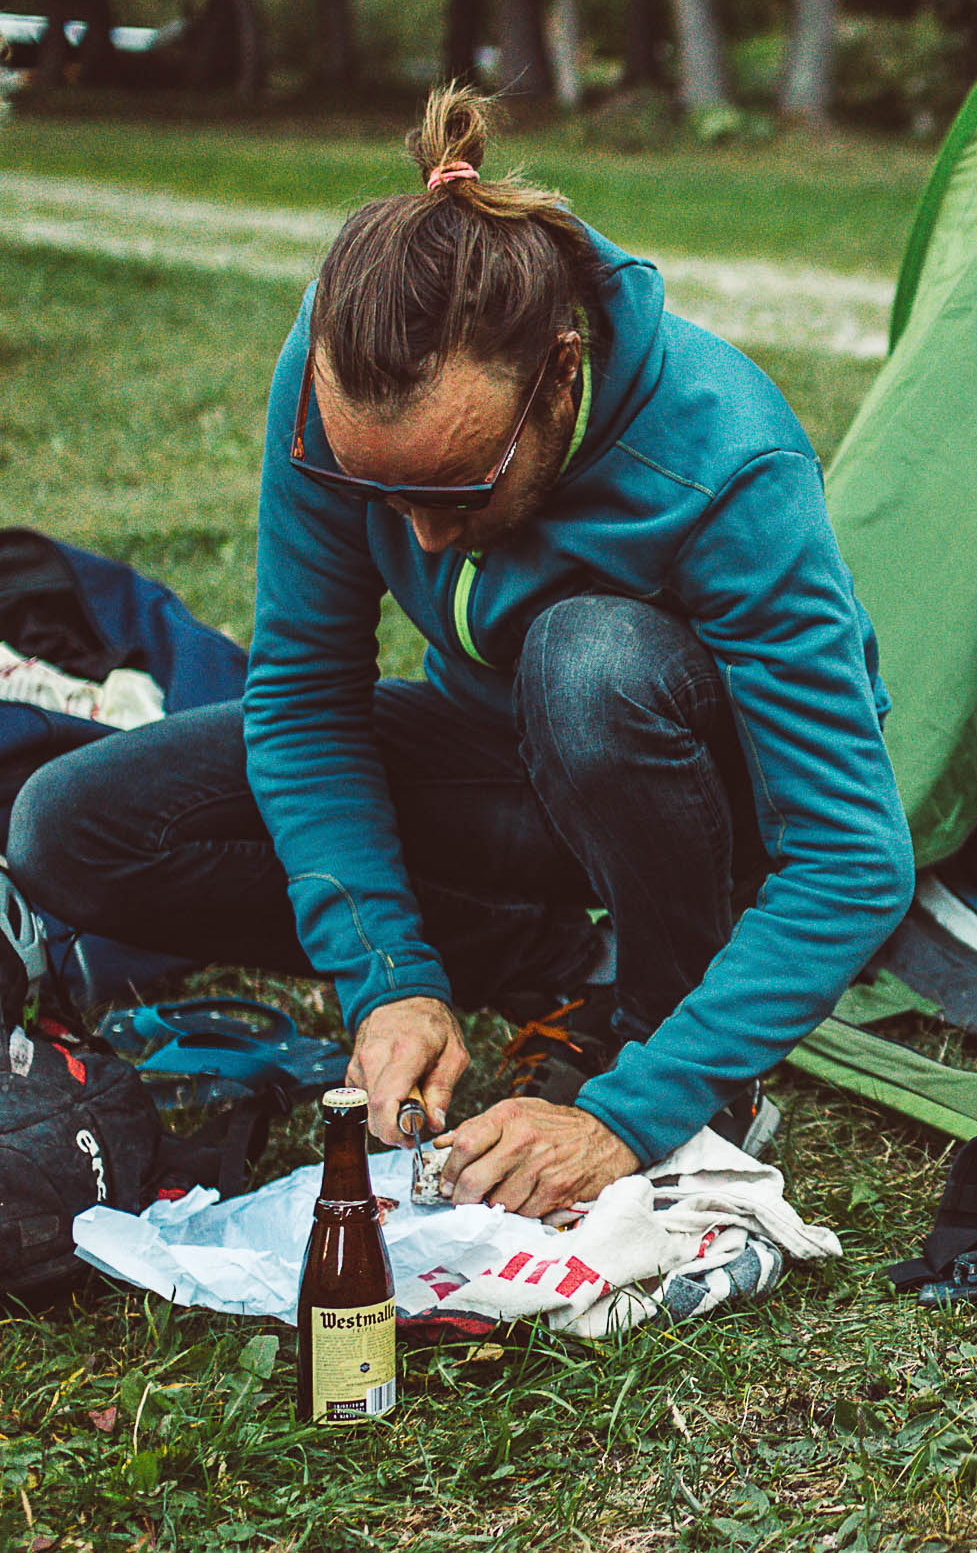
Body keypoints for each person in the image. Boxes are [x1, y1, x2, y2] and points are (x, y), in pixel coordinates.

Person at [6, 87, 916, 1219]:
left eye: (458, 488)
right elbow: (304, 699)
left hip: (689, 795)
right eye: (378, 490)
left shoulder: (724, 458)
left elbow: (850, 857)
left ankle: (670, 1045)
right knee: (71, 825)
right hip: (500, 767)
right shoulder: (340, 374)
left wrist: (627, 1118)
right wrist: (387, 977)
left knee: (586, 660)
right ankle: (557, 965)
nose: (424, 538)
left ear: (562, 372)